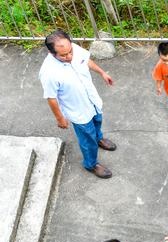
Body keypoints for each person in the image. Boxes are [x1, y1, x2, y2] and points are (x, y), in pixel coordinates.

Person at [40, 29, 116, 178]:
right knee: (87, 140)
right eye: (63, 55)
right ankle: (91, 164)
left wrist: (102, 73)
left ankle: (98, 138)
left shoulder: (72, 48)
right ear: (51, 53)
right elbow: (51, 98)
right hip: (78, 111)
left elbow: (86, 60)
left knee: (97, 121)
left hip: (92, 100)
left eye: (70, 52)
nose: (69, 56)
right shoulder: (49, 73)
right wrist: (60, 118)